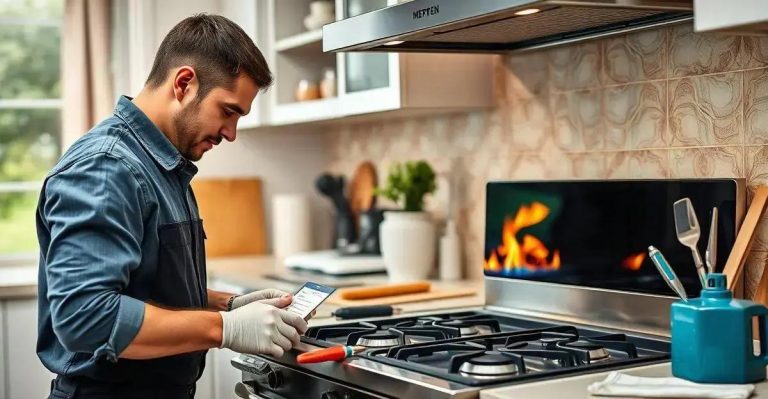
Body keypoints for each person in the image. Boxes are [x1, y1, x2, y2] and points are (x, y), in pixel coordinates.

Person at [36, 14, 306, 399]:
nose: (231, 133)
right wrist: (223, 328)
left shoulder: (163, 165)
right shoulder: (107, 167)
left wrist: (228, 305)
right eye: (228, 111)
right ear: (184, 84)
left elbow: (145, 285)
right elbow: (85, 316)